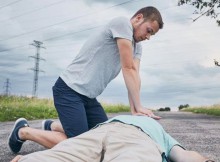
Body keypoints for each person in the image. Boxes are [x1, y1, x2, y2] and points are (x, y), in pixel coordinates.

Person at [8, 6, 164, 153]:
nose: (148, 37)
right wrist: (139, 106)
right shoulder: (123, 24)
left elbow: (134, 75)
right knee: (83, 146)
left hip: (88, 99)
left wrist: (135, 111)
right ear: (138, 18)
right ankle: (23, 132)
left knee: (104, 138)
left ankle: (52, 126)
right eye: (148, 30)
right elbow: (128, 68)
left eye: (152, 35)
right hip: (69, 90)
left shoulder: (137, 47)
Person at [10, 115, 214, 162]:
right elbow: (185, 157)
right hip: (138, 139)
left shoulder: (115, 118)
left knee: (62, 155)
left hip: (98, 132)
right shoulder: (159, 131)